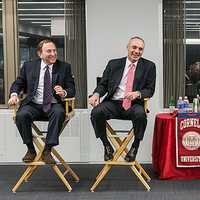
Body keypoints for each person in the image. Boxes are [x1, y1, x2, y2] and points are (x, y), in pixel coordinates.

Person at [89, 36, 156, 162]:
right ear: (127, 48)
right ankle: (107, 145)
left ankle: (135, 147)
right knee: (96, 112)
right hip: (113, 103)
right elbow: (103, 84)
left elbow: (150, 90)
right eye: (134, 47)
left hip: (134, 104)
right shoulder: (114, 64)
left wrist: (138, 93)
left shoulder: (149, 66)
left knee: (141, 115)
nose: (137, 51)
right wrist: (96, 94)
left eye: (140, 49)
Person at [8, 39, 75, 164]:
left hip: (54, 104)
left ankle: (47, 150)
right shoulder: (29, 66)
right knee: (21, 115)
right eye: (49, 51)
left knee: (59, 113)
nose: (53, 53)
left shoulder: (64, 67)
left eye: (54, 50)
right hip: (33, 104)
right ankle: (30, 149)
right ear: (40, 54)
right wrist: (14, 94)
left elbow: (72, 89)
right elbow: (18, 83)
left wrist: (64, 92)